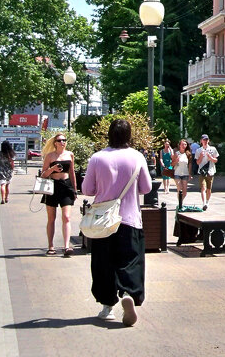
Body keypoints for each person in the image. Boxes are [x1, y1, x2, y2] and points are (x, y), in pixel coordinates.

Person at [81, 118, 153, 326]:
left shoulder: (97, 158)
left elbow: (87, 190)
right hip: (130, 219)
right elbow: (146, 188)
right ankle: (128, 292)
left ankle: (107, 306)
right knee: (130, 261)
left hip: (104, 222)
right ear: (129, 136)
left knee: (104, 264)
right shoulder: (137, 157)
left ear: (109, 134)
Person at [40, 132, 77, 256]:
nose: (63, 142)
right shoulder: (50, 156)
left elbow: (72, 173)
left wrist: (75, 189)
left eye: (64, 140)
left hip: (66, 186)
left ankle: (66, 246)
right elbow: (43, 175)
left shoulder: (69, 155)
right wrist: (52, 169)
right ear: (55, 143)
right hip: (53, 186)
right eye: (60, 140)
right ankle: (51, 246)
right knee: (51, 218)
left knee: (66, 217)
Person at [194, 134, 219, 211]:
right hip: (202, 172)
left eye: (206, 140)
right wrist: (201, 157)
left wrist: (211, 158)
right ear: (201, 141)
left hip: (210, 171)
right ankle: (204, 203)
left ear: (208, 140)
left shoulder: (213, 149)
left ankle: (207, 202)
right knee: (203, 188)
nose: (205, 141)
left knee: (208, 189)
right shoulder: (199, 150)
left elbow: (216, 160)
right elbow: (197, 162)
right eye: (204, 140)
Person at [172, 139, 190, 209]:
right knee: (180, 189)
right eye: (182, 144)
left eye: (185, 144)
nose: (184, 146)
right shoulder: (177, 154)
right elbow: (172, 164)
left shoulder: (188, 154)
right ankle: (180, 205)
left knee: (185, 192)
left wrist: (190, 173)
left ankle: (180, 202)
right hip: (177, 173)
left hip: (185, 173)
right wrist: (176, 161)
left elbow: (190, 164)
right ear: (179, 145)